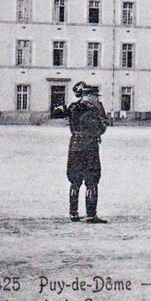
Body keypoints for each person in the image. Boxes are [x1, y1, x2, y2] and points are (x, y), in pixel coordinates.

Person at [66, 85, 108, 223]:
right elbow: (100, 129)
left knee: (75, 181)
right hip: (89, 147)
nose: (97, 99)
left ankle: (73, 213)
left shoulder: (72, 107)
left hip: (74, 146)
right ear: (90, 96)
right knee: (92, 180)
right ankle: (91, 215)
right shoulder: (92, 110)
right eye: (96, 96)